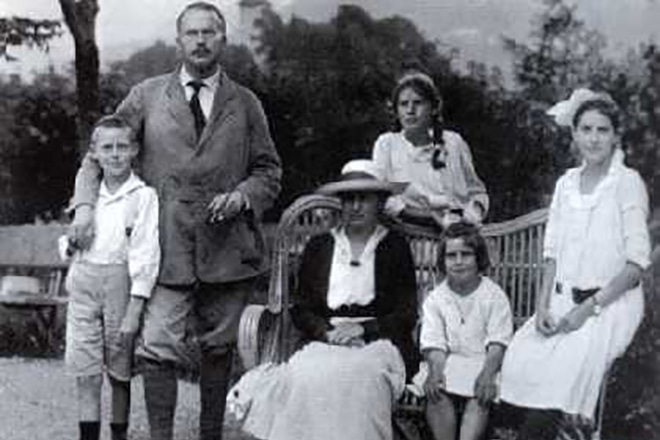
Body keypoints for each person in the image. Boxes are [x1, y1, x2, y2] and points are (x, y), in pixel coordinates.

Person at [67, 3, 282, 440]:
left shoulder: (245, 103)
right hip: (165, 249)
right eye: (192, 33)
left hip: (228, 251)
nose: (200, 41)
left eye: (209, 33)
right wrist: (85, 206)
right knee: (157, 348)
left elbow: (269, 171)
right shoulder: (147, 96)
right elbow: (96, 156)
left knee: (219, 349)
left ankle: (210, 435)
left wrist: (242, 196)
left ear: (223, 40)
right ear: (178, 41)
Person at [499, 89, 651, 440]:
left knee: (566, 370)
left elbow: (635, 267)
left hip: (610, 304)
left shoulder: (626, 184)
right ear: (575, 134)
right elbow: (552, 254)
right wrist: (542, 307)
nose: (594, 139)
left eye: (602, 130)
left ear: (615, 136)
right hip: (562, 300)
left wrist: (588, 309)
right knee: (521, 360)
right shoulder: (566, 185)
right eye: (586, 129)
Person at [229, 159, 418, 440]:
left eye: (364, 199)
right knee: (304, 375)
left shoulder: (395, 247)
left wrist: (363, 329)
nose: (355, 207)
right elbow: (302, 308)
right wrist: (326, 332)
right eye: (349, 199)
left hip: (380, 343)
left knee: (361, 377)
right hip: (325, 341)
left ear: (379, 202)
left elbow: (406, 312)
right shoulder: (320, 246)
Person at [60, 116, 160, 440]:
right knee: (87, 373)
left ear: (134, 150)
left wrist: (135, 309)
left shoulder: (142, 196)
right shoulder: (87, 199)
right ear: (95, 153)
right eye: (107, 148)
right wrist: (71, 242)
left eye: (121, 147)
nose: (115, 154)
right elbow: (69, 243)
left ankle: (119, 435)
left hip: (120, 284)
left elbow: (146, 253)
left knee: (120, 371)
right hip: (84, 283)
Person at [412, 221, 513, 440]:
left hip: (484, 363)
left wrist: (487, 375)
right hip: (449, 363)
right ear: (443, 260)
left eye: (465, 254)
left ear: (478, 258)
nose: (458, 261)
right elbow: (434, 343)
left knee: (480, 398)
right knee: (436, 393)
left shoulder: (494, 296)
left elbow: (498, 342)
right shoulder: (436, 299)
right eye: (451, 255)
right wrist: (435, 372)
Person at [372, 71, 489, 228]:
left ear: (433, 108)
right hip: (412, 234)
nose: (410, 110)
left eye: (418, 103)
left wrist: (473, 214)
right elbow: (382, 199)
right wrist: (432, 218)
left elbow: (477, 193)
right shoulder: (387, 144)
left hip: (460, 234)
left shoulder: (454, 142)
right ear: (396, 110)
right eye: (403, 104)